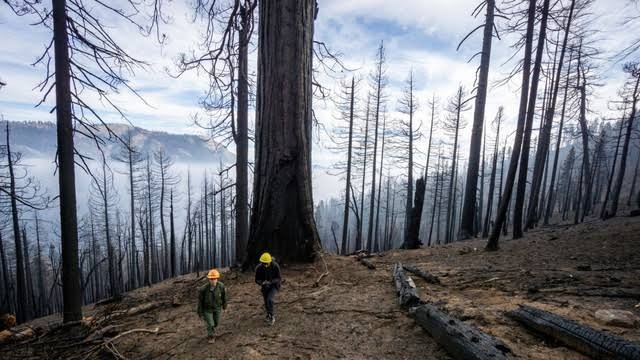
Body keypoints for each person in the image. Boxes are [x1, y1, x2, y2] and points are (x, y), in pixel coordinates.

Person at [197, 269, 227, 344]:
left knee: (216, 322)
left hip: (217, 308)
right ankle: (211, 336)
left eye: (214, 279)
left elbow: (224, 297)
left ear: (217, 279)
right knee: (211, 323)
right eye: (211, 279)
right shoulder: (203, 289)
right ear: (209, 279)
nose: (213, 281)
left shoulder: (221, 286)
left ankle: (212, 329)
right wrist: (199, 312)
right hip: (207, 309)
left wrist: (224, 305)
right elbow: (200, 302)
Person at [255, 252, 281, 325]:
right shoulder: (259, 268)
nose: (265, 265)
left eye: (267, 263)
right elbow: (256, 279)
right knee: (266, 301)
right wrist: (262, 283)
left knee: (270, 299)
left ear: (270, 261)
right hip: (264, 286)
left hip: (274, 286)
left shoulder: (275, 266)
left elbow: (278, 278)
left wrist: (270, 282)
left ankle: (272, 316)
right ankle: (268, 314)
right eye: (264, 263)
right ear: (261, 262)